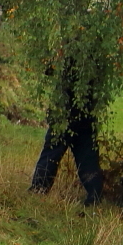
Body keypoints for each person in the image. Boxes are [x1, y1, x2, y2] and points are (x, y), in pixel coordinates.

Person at [30, 61, 104, 205]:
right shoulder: (96, 57)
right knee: (87, 158)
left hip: (64, 115)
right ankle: (94, 197)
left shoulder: (67, 54)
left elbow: (48, 68)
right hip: (86, 115)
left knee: (51, 154)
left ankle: (39, 188)